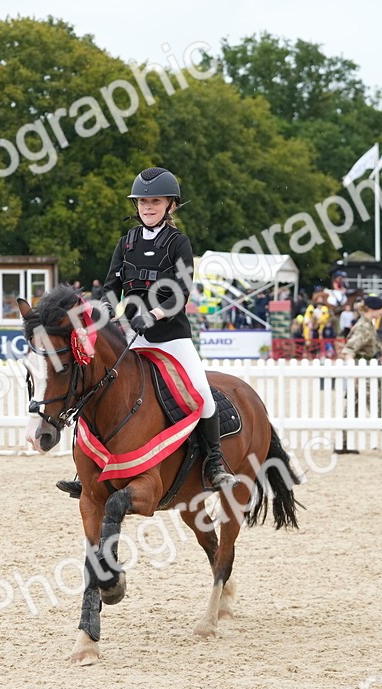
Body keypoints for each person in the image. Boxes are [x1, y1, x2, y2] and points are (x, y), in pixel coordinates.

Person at [56, 167, 232, 499]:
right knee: (96, 388)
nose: (148, 207)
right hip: (132, 338)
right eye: (142, 202)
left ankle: (214, 463)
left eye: (155, 201)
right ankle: (87, 470)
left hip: (172, 338)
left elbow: (181, 291)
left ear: (170, 205)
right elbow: (111, 288)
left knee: (203, 396)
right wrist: (105, 314)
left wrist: (153, 313)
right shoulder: (127, 243)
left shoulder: (179, 243)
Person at [340, 296, 382, 360]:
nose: (381, 312)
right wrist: (351, 367)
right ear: (371, 309)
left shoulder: (369, 325)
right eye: (380, 309)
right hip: (363, 366)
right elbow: (349, 349)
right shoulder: (363, 326)